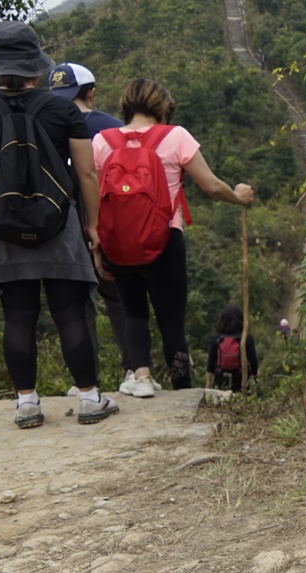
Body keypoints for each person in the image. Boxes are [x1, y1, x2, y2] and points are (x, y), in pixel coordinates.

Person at [0, 22, 117, 428]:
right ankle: (89, 399)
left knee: (18, 316)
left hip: (2, 227)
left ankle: (26, 404)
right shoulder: (62, 109)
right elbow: (87, 173)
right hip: (59, 222)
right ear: (35, 65)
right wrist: (92, 225)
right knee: (69, 312)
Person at [93, 78, 255, 393]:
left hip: (118, 244)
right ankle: (182, 388)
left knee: (133, 313)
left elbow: (97, 199)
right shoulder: (175, 136)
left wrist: (98, 247)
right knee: (171, 321)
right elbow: (211, 186)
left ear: (127, 105)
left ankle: (141, 378)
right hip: (165, 241)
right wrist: (238, 197)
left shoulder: (102, 141)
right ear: (163, 106)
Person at [51, 62, 143, 397]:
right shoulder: (113, 129)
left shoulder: (46, 125)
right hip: (109, 224)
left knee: (77, 305)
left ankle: (85, 381)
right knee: (119, 300)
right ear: (91, 93)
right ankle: (136, 370)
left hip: (60, 228)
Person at [205, 305, 261, 392]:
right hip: (240, 382)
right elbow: (253, 363)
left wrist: (208, 386)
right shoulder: (246, 338)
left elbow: (210, 365)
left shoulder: (216, 338)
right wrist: (257, 381)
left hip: (220, 382)